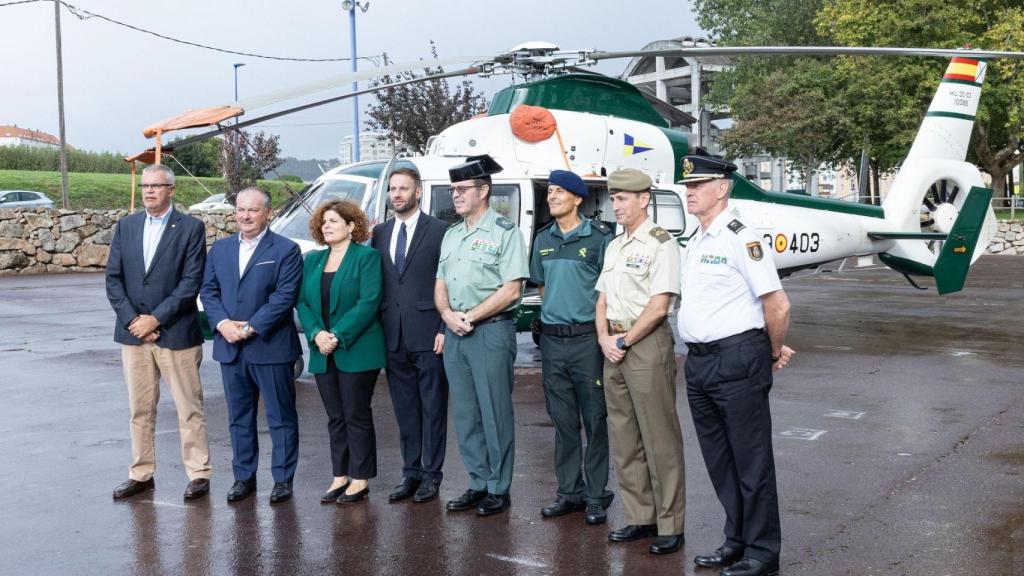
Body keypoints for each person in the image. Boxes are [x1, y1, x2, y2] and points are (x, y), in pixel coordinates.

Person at [677, 155, 794, 576]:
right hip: (700, 363)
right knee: (720, 459)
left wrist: (772, 351)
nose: (689, 191)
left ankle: (763, 552)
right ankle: (737, 540)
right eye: (687, 185)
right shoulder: (696, 239)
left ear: (722, 188)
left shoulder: (741, 237)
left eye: (697, 185)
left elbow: (776, 304)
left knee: (751, 460)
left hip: (737, 358)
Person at [105, 164, 212, 501]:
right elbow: (113, 279)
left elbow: (190, 281)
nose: (149, 191)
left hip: (176, 334)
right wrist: (134, 321)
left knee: (188, 408)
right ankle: (141, 473)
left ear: (172, 190)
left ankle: (198, 473)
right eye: (146, 185)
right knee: (140, 409)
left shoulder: (191, 228)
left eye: (157, 185)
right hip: (133, 336)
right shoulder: (126, 226)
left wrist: (156, 320)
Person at [594, 168, 686, 555]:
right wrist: (603, 338)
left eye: (623, 198)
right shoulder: (615, 245)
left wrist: (624, 340)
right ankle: (639, 516)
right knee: (625, 436)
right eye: (613, 198)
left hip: (645, 344)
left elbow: (659, 304)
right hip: (613, 343)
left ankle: (670, 523)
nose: (616, 205)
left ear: (644, 199)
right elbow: (601, 298)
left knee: (659, 436)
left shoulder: (661, 243)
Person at [434, 154, 528, 517]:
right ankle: (477, 481)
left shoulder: (505, 232)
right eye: (453, 189)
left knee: (494, 411)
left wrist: (468, 317)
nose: (455, 195)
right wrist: (446, 315)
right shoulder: (452, 234)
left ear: (483, 190)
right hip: (456, 334)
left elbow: (512, 290)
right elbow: (440, 283)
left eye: (462, 189)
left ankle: (498, 488)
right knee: (466, 414)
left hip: (490, 331)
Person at [200, 187, 303, 504]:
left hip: (270, 346)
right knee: (238, 417)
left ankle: (282, 480)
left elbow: (284, 298)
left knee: (280, 418)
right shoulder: (220, 249)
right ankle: (244, 477)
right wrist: (222, 324)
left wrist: (249, 327)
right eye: (241, 209)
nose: (245, 215)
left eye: (253, 210)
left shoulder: (286, 250)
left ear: (268, 213)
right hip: (230, 348)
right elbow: (209, 291)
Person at [529, 170, 614, 525]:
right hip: (552, 341)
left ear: (578, 198)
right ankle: (569, 492)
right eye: (549, 191)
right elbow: (543, 289)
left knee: (594, 420)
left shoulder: (599, 239)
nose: (552, 196)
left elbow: (608, 294)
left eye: (560, 191)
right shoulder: (542, 238)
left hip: (586, 342)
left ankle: (596, 495)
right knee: (562, 422)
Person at [296, 199, 386, 504]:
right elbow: (303, 303)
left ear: (351, 226)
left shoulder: (367, 258)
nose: (327, 226)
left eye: (334, 221)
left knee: (355, 413)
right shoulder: (312, 261)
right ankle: (340, 475)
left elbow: (368, 302)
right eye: (324, 222)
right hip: (322, 349)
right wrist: (316, 334)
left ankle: (360, 478)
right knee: (335, 416)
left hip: (358, 349)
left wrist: (336, 335)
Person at [370, 168, 449, 504]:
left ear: (418, 192)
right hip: (393, 335)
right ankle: (410, 472)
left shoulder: (441, 231)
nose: (397, 194)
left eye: (403, 188)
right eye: (392, 189)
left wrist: (445, 328)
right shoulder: (381, 232)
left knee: (433, 407)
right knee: (404, 409)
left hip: (430, 333)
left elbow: (450, 282)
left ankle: (432, 476)